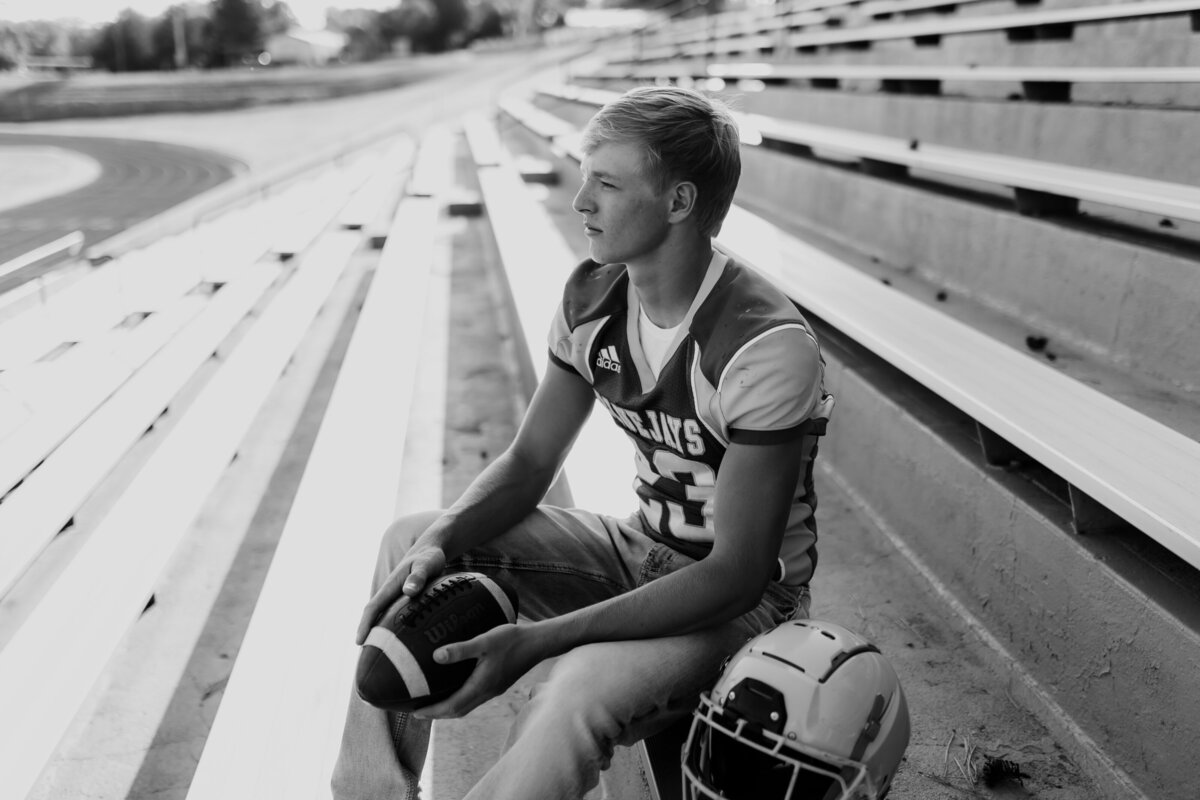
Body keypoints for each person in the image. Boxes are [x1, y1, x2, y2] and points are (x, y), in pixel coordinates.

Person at [331, 85, 835, 800]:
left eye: (607, 182)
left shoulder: (762, 344)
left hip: (746, 606)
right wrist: (445, 535)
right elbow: (531, 462)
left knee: (577, 685)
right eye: (584, 177)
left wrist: (542, 639)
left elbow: (739, 574)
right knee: (409, 543)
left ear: (679, 202)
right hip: (640, 549)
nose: (581, 202)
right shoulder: (592, 297)